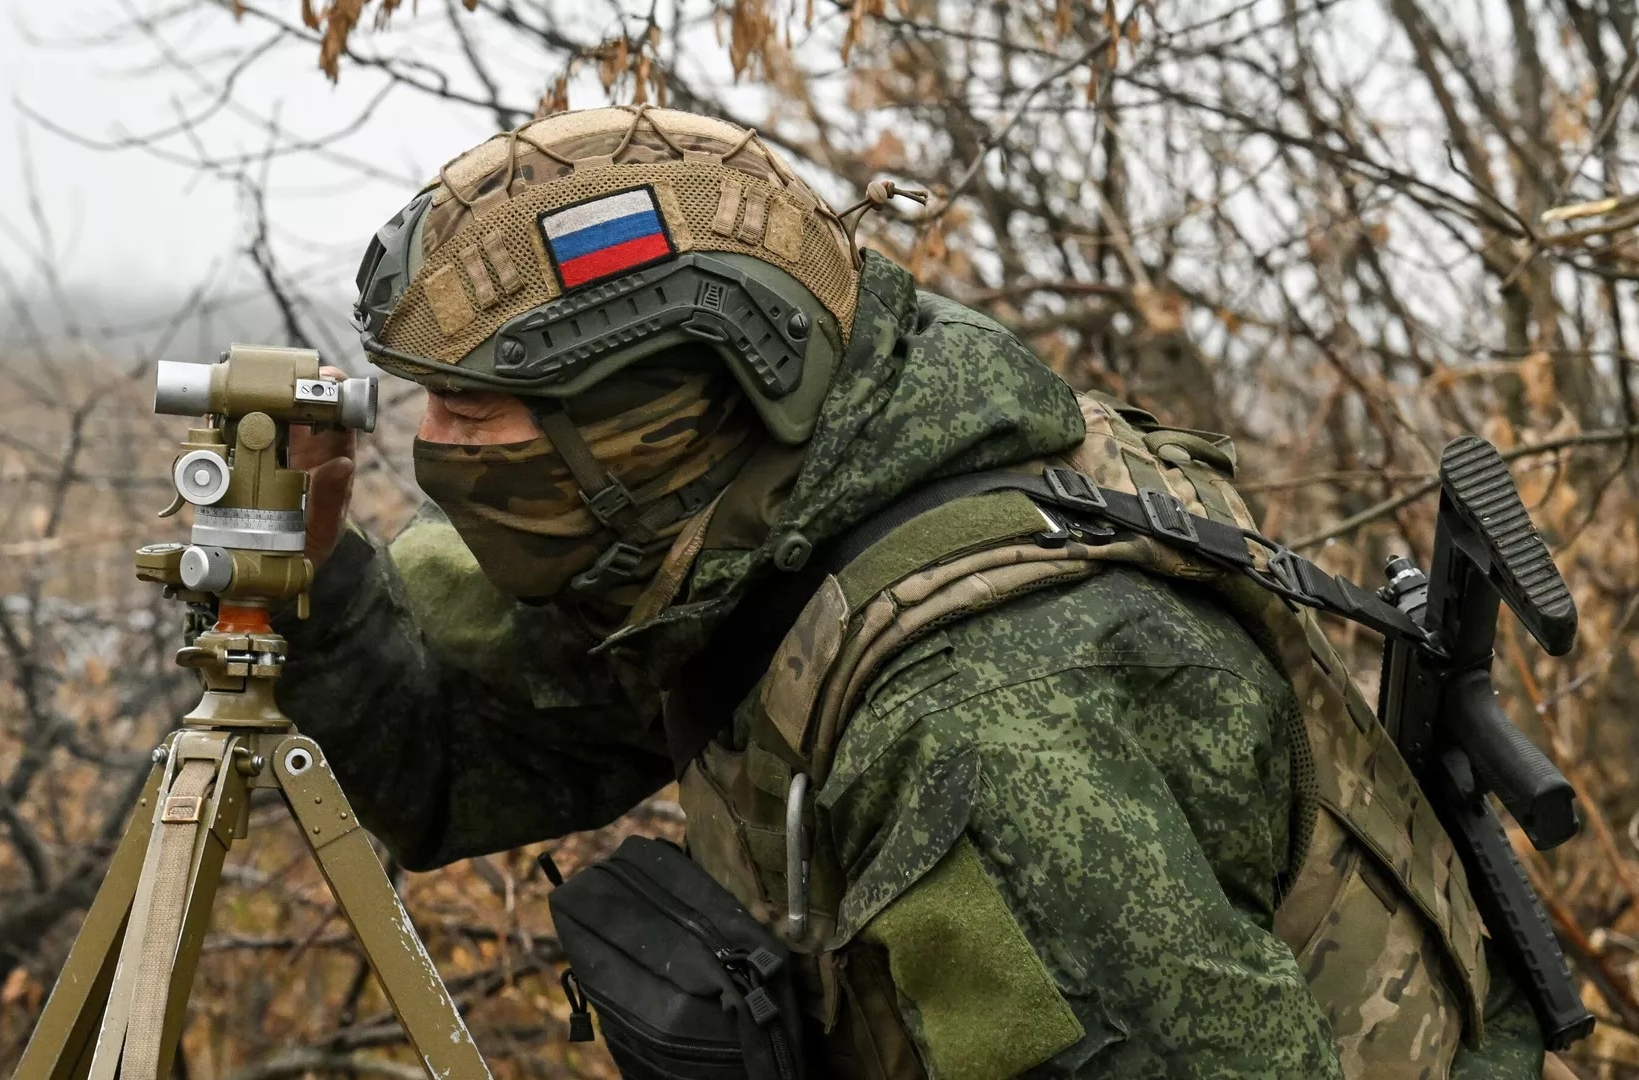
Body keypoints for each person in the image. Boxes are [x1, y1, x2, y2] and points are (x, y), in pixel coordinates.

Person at [271, 105, 1557, 1078]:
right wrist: (318, 579)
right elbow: (459, 766)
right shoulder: (771, 504)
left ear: (650, 413)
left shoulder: (988, 723)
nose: (432, 445)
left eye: (471, 409)